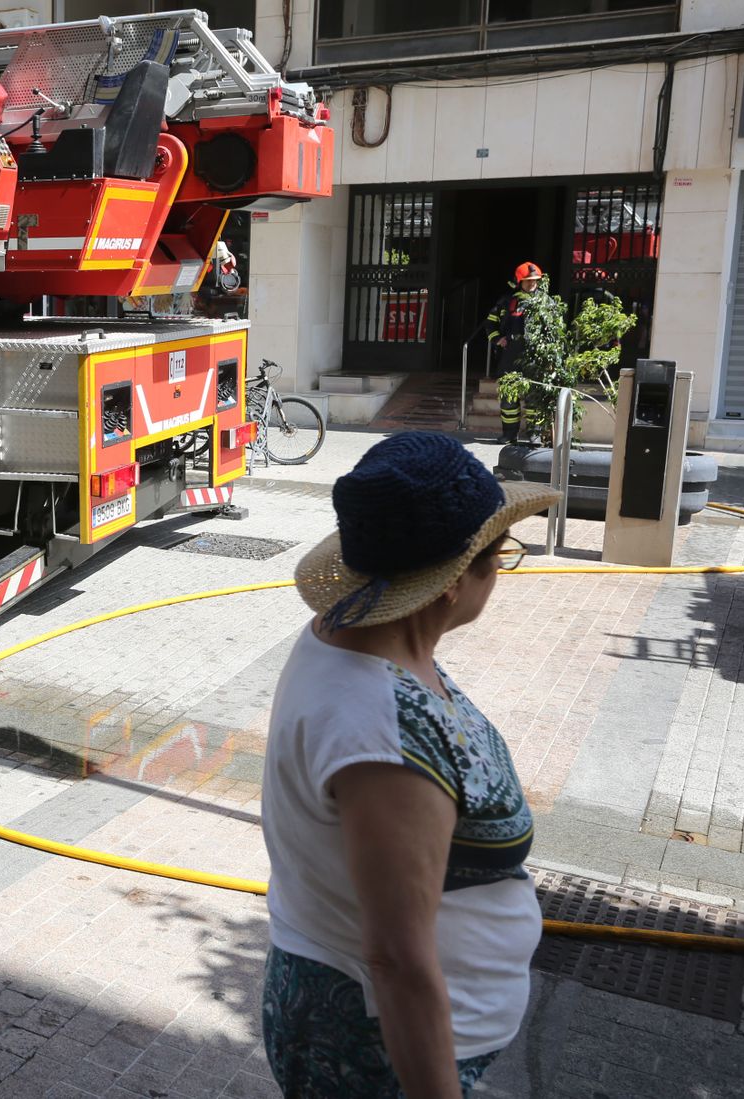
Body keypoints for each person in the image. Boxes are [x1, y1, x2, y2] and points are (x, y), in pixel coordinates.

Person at [261, 432, 560, 1098]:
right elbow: (397, 960)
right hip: (380, 1052)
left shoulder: (352, 635)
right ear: (451, 583)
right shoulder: (383, 735)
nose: (500, 572)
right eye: (498, 557)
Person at [487, 261, 544, 444]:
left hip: (534, 358)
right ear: (519, 281)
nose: (532, 283)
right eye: (528, 280)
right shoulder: (506, 301)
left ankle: (535, 435)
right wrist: (498, 339)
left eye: (535, 280)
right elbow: (490, 323)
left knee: (534, 399)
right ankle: (509, 434)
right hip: (509, 358)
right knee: (508, 399)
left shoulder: (545, 302)